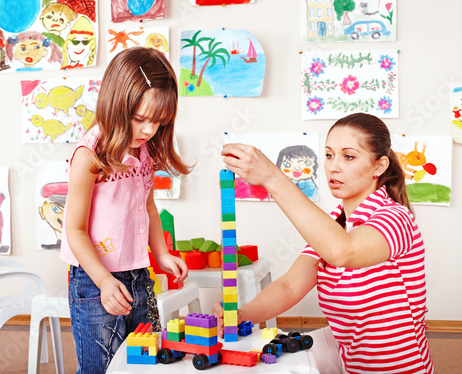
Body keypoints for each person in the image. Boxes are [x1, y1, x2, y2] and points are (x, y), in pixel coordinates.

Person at [215, 113, 433, 374]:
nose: (333, 167)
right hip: (352, 364)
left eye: (348, 156)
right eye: (329, 155)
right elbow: (289, 286)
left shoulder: (395, 218)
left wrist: (273, 178)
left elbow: (344, 251)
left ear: (379, 166)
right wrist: (242, 314)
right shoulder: (334, 223)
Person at [60, 46, 191, 373]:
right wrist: (104, 281)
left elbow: (147, 205)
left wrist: (161, 254)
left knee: (147, 361)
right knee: (101, 367)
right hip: (94, 281)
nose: (149, 131)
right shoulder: (89, 154)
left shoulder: (142, 148)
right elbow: (73, 230)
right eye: (140, 119)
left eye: (159, 122)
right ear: (116, 103)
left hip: (139, 275)